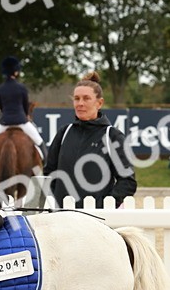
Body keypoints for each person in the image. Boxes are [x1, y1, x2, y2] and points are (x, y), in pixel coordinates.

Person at [42, 71, 136, 208]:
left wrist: (107, 206)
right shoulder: (64, 133)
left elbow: (128, 182)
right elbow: (49, 174)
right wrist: (55, 201)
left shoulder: (113, 136)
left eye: (86, 98)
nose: (80, 103)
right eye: (76, 98)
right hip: (62, 218)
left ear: (99, 103)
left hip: (96, 220)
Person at [0, 56, 46, 150]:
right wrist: (26, 115)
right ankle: (46, 163)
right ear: (15, 71)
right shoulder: (21, 87)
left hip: (4, 122)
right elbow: (25, 105)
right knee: (40, 142)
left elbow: (1, 107)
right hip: (21, 121)